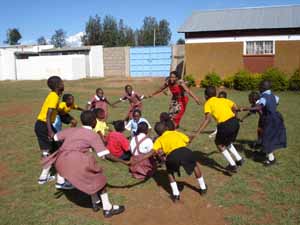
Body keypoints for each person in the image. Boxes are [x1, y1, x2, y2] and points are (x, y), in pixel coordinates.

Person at [42, 111, 126, 217]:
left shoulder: (72, 130)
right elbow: (105, 155)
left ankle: (95, 203)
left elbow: (53, 136)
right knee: (100, 180)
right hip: (75, 160)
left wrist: (49, 124)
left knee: (89, 178)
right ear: (94, 122)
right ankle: (108, 208)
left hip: (60, 161)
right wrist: (126, 162)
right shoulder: (92, 135)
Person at [130, 122, 207, 202]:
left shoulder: (159, 139)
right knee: (194, 166)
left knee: (170, 173)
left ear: (158, 133)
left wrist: (137, 160)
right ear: (166, 128)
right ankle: (203, 188)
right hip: (185, 151)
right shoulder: (176, 133)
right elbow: (188, 140)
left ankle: (176, 194)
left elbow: (151, 153)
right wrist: (194, 135)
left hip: (172, 156)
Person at [191, 86, 244, 173]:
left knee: (219, 144)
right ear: (215, 94)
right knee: (227, 142)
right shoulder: (223, 99)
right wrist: (236, 116)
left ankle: (232, 165)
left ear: (206, 96)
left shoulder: (208, 103)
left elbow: (208, 119)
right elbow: (235, 107)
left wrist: (198, 131)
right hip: (235, 122)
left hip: (225, 125)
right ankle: (239, 159)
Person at [34, 76, 71, 188]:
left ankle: (44, 177)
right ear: (57, 85)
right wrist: (50, 131)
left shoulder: (54, 96)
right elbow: (48, 114)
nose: (63, 84)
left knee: (51, 151)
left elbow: (55, 110)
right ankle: (60, 181)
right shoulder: (54, 96)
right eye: (61, 82)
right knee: (57, 150)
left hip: (42, 125)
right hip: (45, 126)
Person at [242, 81, 286, 166]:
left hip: (269, 119)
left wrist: (245, 108)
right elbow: (276, 103)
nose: (259, 88)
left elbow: (259, 107)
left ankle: (271, 159)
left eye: (260, 87)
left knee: (267, 139)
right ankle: (263, 152)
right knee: (266, 137)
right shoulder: (274, 96)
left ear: (263, 88)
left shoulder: (263, 97)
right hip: (276, 118)